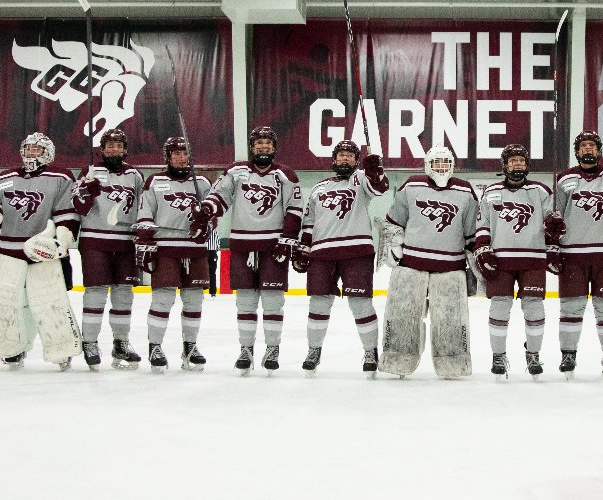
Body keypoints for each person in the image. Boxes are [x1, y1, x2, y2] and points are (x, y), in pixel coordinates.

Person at [0, 132, 82, 370]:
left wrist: (61, 241)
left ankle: (62, 348)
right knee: (8, 303)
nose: (31, 154)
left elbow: (66, 213)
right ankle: (13, 347)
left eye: (37, 150)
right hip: (8, 250)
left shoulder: (60, 176)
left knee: (50, 302)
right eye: (28, 149)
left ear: (48, 152)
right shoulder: (5, 177)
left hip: (43, 250)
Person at [194, 126, 305, 376]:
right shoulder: (236, 171)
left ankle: (273, 349)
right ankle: (246, 350)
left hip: (272, 245)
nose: (263, 146)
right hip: (243, 245)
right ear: (252, 146)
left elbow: (295, 208)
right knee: (245, 301)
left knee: (273, 301)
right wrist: (207, 210)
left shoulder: (285, 174)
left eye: (267, 142)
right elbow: (220, 196)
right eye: (259, 143)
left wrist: (288, 238)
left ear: (274, 147)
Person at [379, 146, 480, 379]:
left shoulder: (465, 191)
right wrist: (396, 243)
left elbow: (471, 235)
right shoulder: (411, 186)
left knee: (450, 320)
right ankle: (398, 358)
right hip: (411, 265)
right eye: (437, 163)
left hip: (450, 268)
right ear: (427, 165)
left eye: (446, 163)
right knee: (403, 315)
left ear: (452, 166)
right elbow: (394, 221)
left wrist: (474, 264)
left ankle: (453, 362)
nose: (441, 168)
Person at [293, 140, 389, 377]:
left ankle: (370, 351)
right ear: (333, 160)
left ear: (356, 160)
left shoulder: (360, 179)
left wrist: (375, 168)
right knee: (318, 305)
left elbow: (380, 187)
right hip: (322, 254)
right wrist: (304, 248)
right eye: (341, 155)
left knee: (360, 304)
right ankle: (313, 351)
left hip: (356, 252)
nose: (344, 159)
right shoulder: (317, 188)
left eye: (349, 156)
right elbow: (309, 224)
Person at [551, 131, 603, 380]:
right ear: (577, 152)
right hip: (573, 254)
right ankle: (568, 354)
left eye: (592, 146)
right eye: (583, 146)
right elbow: (556, 219)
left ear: (599, 151)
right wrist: (553, 248)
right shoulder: (564, 179)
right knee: (571, 308)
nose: (588, 150)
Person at [473, 144, 553, 379]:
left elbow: (552, 221)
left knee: (534, 307)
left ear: (527, 165)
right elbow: (482, 225)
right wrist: (483, 248)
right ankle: (498, 356)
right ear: (505, 165)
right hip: (501, 260)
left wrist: (555, 228)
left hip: (533, 259)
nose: (517, 164)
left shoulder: (540, 191)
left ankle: (534, 354)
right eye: (512, 161)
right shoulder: (491, 192)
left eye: (521, 161)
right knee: (499, 306)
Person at [135, 136, 212, 373]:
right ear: (167, 157)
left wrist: (206, 226)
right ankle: (155, 346)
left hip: (195, 250)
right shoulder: (155, 182)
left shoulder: (202, 183)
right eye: (175, 154)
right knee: (163, 299)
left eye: (184, 153)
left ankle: (190, 346)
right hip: (166, 248)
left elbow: (213, 214)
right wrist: (146, 242)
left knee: (194, 301)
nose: (181, 158)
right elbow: (145, 213)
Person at [71, 129, 145, 370]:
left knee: (124, 294)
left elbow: (143, 208)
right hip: (95, 241)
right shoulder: (90, 172)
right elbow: (79, 208)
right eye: (109, 146)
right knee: (96, 292)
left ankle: (121, 342)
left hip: (126, 242)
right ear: (101, 150)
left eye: (118, 146)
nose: (114, 150)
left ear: (125, 149)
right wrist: (86, 191)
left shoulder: (134, 174)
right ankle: (90, 342)